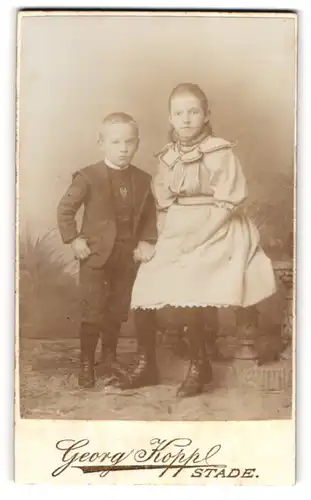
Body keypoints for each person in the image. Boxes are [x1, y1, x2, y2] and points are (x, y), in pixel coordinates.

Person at [119, 83, 277, 397]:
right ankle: (146, 361)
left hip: (218, 225)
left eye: (194, 111)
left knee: (193, 276)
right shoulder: (166, 157)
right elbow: (163, 205)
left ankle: (199, 363)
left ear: (206, 115)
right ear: (170, 118)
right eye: (179, 113)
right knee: (147, 279)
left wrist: (198, 238)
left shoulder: (219, 151)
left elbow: (226, 203)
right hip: (177, 225)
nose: (187, 118)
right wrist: (162, 241)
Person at [57, 112, 157, 389]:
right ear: (101, 143)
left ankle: (109, 358)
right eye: (115, 142)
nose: (123, 148)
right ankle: (87, 363)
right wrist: (74, 240)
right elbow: (65, 210)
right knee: (93, 311)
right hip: (96, 257)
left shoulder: (144, 180)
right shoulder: (88, 176)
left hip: (127, 258)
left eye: (129, 142)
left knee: (116, 310)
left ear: (137, 144)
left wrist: (146, 240)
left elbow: (151, 216)